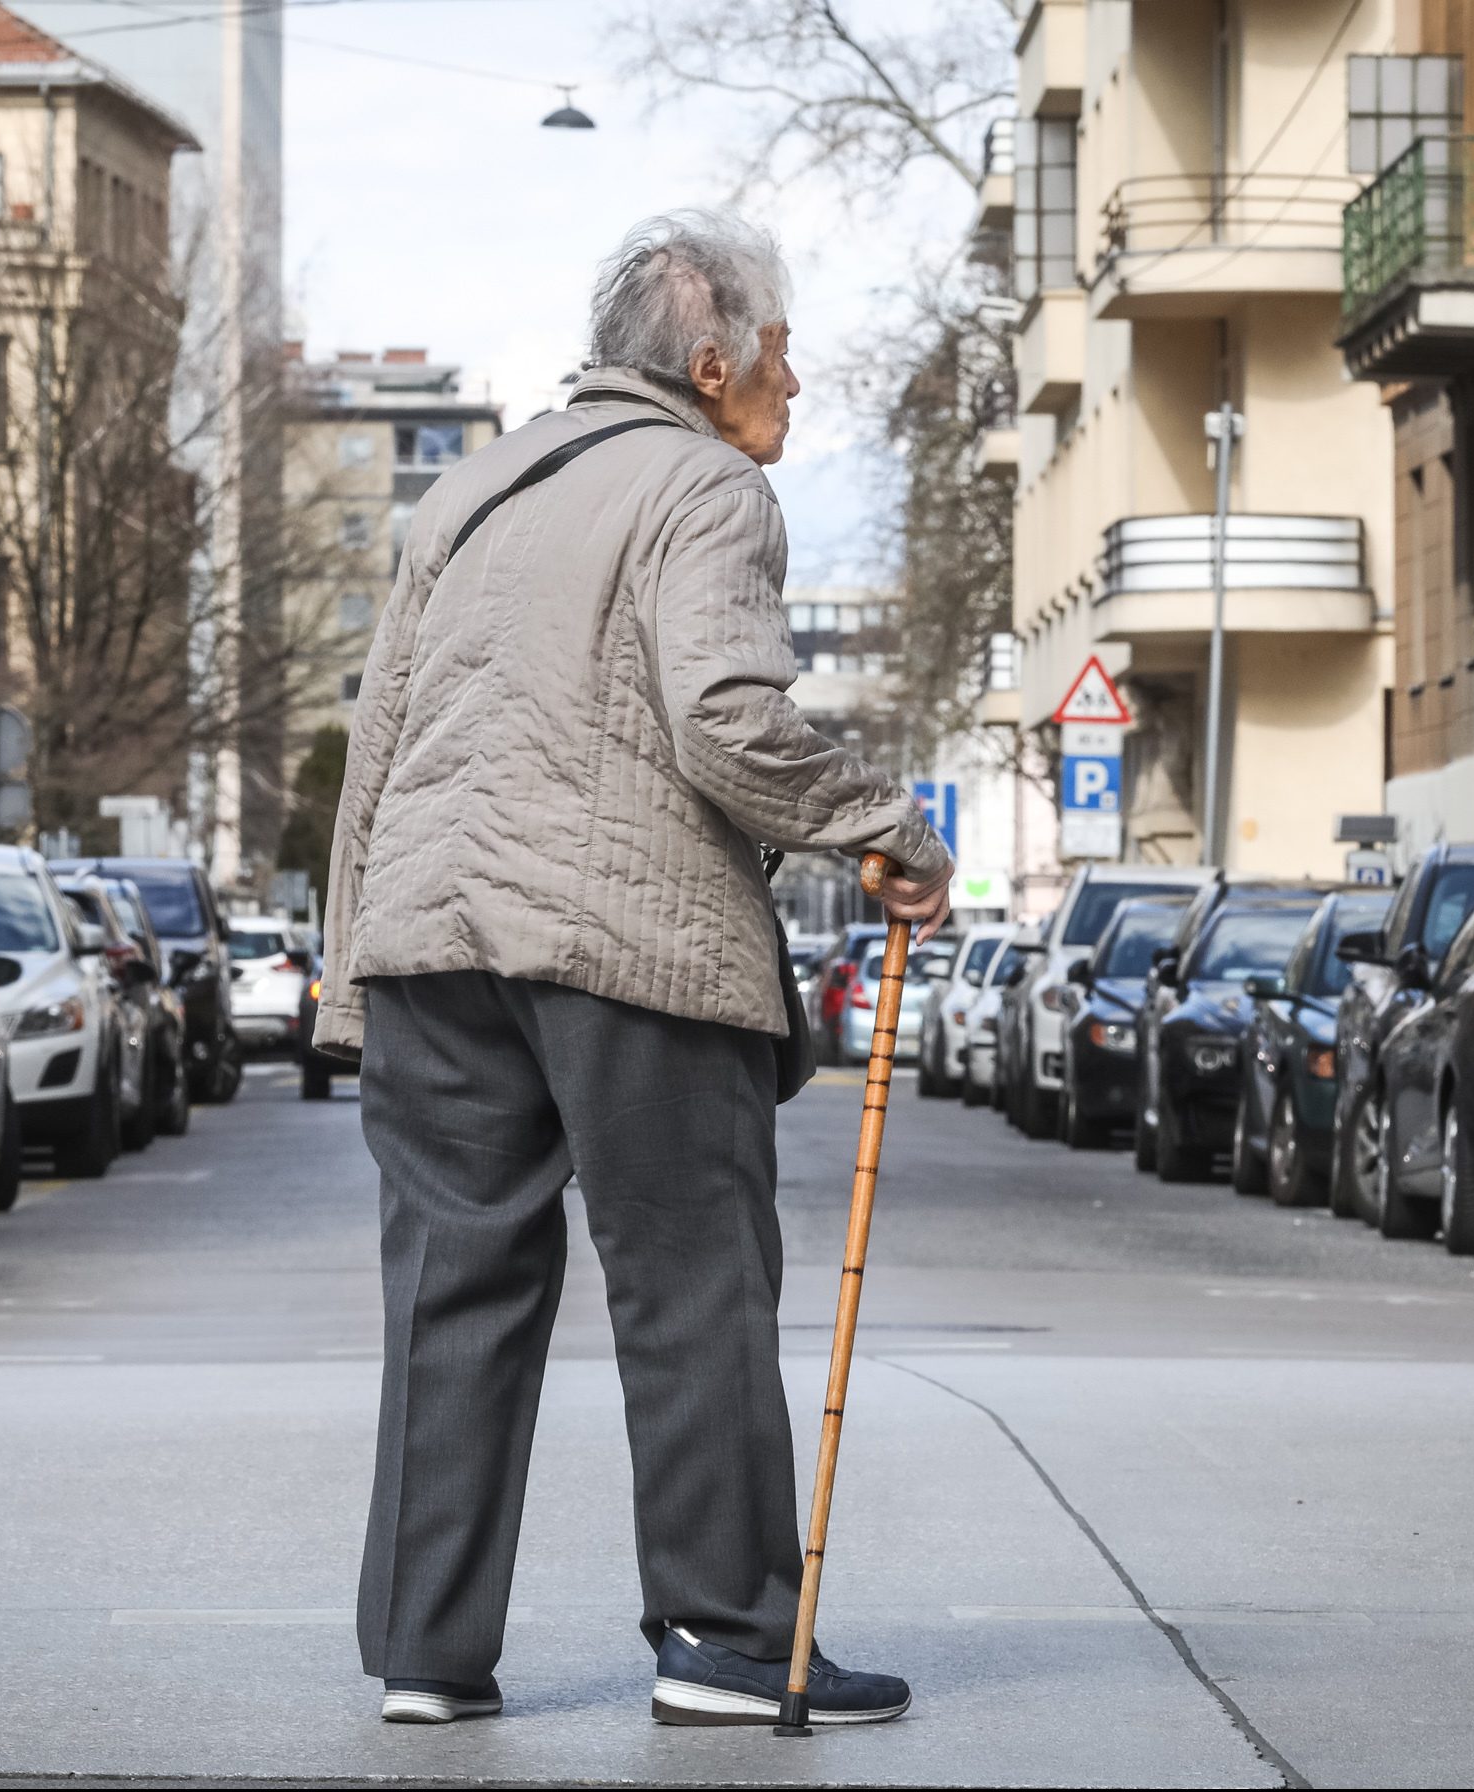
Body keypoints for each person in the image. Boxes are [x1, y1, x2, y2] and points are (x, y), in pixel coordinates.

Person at [313, 209, 952, 1729]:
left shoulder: (463, 493)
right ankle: (730, 1642)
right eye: (784, 355)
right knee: (692, 1288)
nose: (796, 387)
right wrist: (887, 828)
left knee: (451, 1293)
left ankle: (426, 1655)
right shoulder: (707, 489)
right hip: (625, 946)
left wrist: (352, 973)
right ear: (714, 359)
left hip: (429, 947)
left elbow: (377, 749)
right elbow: (726, 717)